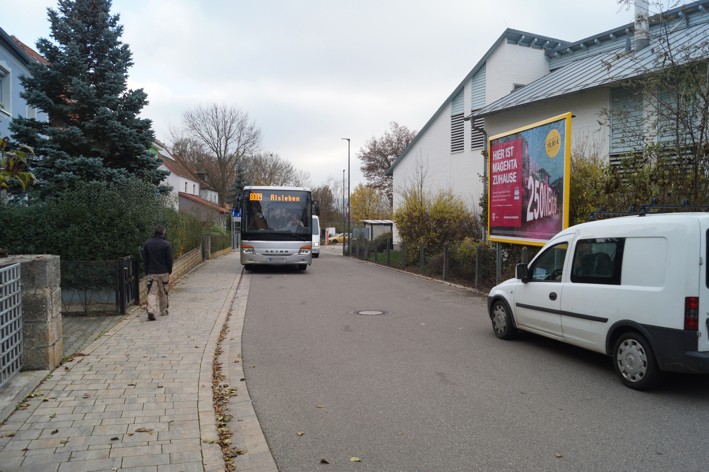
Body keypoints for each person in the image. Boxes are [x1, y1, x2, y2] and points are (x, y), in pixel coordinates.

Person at [143, 225, 173, 321]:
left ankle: (151, 311)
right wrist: (169, 270)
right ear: (163, 232)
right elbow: (169, 260)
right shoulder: (166, 244)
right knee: (163, 292)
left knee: (151, 293)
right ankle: (163, 311)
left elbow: (145, 260)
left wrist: (146, 271)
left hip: (152, 272)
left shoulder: (147, 244)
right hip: (163, 272)